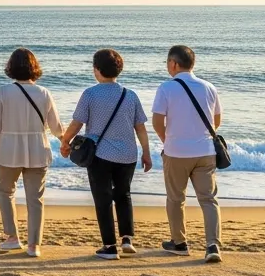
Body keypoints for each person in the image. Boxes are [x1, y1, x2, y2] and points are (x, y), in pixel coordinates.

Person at [60, 49, 152, 260]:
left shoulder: (90, 94)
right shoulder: (130, 95)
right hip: (128, 155)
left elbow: (77, 123)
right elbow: (140, 128)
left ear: (97, 70)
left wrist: (65, 141)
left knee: (103, 199)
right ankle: (127, 239)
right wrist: (146, 153)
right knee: (124, 195)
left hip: (100, 155)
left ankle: (109, 246)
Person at [0, 47, 62, 258]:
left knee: (5, 192)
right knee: (35, 199)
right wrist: (65, 142)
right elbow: (56, 127)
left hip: (8, 149)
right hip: (38, 149)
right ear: (34, 68)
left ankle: (12, 238)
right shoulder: (44, 92)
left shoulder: (3, 92)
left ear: (11, 68)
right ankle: (33, 245)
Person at [153, 44, 223, 263]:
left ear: (173, 64)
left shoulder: (166, 88)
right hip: (205, 152)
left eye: (167, 62)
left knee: (176, 199)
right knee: (209, 200)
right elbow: (216, 120)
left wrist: (168, 140)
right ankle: (212, 245)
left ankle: (179, 242)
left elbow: (157, 121)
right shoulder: (208, 87)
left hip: (176, 152)